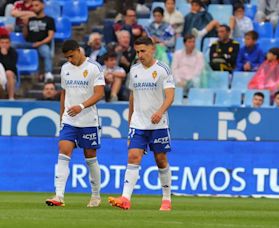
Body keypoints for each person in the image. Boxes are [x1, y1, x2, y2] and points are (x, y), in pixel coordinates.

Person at [108, 37, 175, 211]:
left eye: (143, 51)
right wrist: (130, 125)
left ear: (152, 49)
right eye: (137, 52)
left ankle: (166, 199)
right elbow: (132, 98)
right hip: (138, 124)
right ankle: (125, 198)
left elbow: (170, 96)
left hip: (158, 125)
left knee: (160, 159)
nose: (139, 55)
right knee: (133, 156)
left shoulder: (162, 70)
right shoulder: (135, 70)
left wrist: (160, 112)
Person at [45, 40, 105, 208]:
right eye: (67, 57)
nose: (69, 60)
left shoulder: (94, 67)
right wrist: (61, 116)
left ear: (79, 50)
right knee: (63, 151)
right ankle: (59, 196)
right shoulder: (65, 69)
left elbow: (99, 93)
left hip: (88, 120)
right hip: (69, 120)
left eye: (71, 56)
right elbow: (64, 94)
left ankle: (95, 196)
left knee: (90, 157)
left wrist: (81, 106)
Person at [23, 0, 55, 82]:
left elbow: (50, 36)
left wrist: (39, 43)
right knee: (12, 45)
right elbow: (25, 36)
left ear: (43, 5)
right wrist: (25, 25)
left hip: (42, 44)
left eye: (36, 5)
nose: (34, 7)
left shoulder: (49, 20)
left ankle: (48, 73)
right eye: (33, 6)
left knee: (46, 51)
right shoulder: (30, 19)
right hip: (29, 43)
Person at [0, 35, 17, 100]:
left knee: (9, 73)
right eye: (2, 42)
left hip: (9, 75)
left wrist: (4, 56)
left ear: (10, 44)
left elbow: (11, 67)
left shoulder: (13, 52)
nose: (4, 44)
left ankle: (11, 98)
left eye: (6, 43)